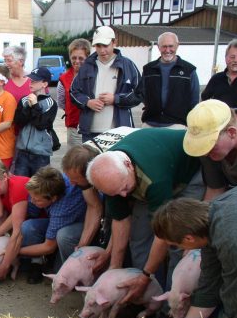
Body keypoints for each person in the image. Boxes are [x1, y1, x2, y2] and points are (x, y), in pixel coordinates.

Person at [85, 128, 203, 298]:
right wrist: (114, 270)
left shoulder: (154, 180)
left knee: (177, 243)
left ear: (128, 165)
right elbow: (121, 221)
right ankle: (144, 297)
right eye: (117, 193)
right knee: (139, 237)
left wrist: (146, 275)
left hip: (187, 174)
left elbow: (163, 233)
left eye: (125, 188)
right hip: (149, 177)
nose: (124, 196)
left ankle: (169, 303)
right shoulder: (111, 179)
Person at [151, 182, 237, 318]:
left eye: (175, 245)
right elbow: (209, 283)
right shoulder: (211, 217)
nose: (179, 249)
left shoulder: (230, 239)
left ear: (188, 239)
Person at [60, 127, 138, 264]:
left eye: (75, 180)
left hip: (134, 167)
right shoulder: (82, 158)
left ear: (90, 176)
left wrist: (109, 254)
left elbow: (122, 218)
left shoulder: (110, 170)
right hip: (112, 153)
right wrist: (82, 246)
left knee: (132, 228)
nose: (71, 184)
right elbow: (94, 206)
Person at [70, 26, 141, 142]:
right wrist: (87, 102)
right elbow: (73, 92)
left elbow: (139, 94)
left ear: (114, 43)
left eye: (105, 45)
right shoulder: (86, 66)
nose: (102, 50)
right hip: (90, 132)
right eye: (98, 46)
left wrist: (115, 99)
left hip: (119, 132)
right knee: (91, 160)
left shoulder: (128, 65)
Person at [183, 99, 237, 201]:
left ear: (232, 132)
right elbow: (215, 190)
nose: (205, 153)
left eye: (209, 145)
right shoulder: (210, 141)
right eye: (202, 146)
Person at [19, 166, 87, 283]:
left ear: (54, 198)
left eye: (37, 200)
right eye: (32, 197)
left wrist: (15, 251)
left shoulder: (61, 209)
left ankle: (73, 270)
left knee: (60, 275)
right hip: (58, 222)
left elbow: (49, 247)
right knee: (28, 226)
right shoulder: (52, 182)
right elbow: (29, 214)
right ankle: (37, 263)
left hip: (78, 227)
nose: (32, 201)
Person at [138, 32, 199, 128]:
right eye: (164, 46)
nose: (167, 50)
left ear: (177, 46)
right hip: (150, 123)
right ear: (158, 47)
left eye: (171, 46)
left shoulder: (189, 70)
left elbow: (194, 100)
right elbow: (142, 93)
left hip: (178, 124)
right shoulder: (148, 69)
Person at [13, 66, 58, 177]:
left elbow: (41, 124)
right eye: (30, 80)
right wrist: (28, 107)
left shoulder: (51, 103)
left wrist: (35, 106)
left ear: (44, 84)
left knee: (40, 187)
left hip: (41, 154)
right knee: (21, 185)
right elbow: (18, 122)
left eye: (35, 81)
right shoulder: (24, 100)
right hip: (23, 152)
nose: (30, 83)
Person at [57, 38, 91, 148]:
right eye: (73, 58)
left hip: (93, 126)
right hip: (74, 128)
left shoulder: (95, 75)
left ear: (88, 57)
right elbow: (61, 102)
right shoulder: (64, 79)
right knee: (75, 162)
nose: (77, 61)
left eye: (81, 58)